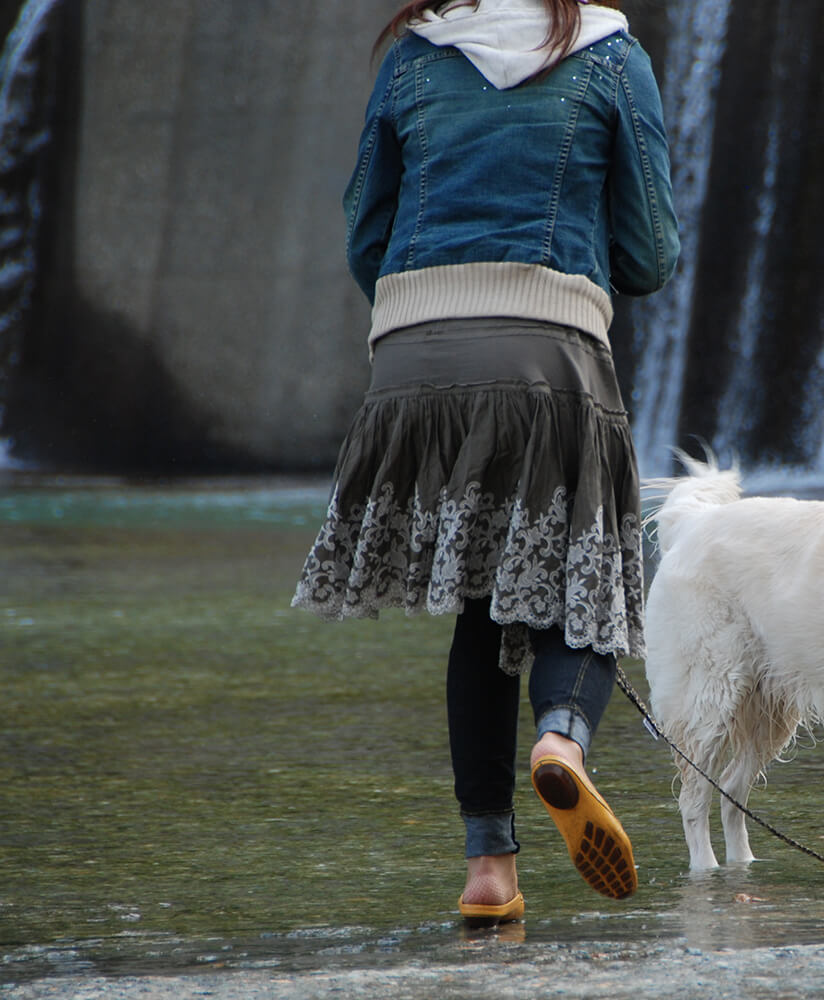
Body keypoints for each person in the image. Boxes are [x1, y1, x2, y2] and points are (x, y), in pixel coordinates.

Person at [292, 0, 678, 925]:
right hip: (545, 349)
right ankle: (561, 741)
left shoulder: (411, 57)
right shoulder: (611, 56)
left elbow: (363, 235)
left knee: (481, 597)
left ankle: (489, 871)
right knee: (585, 578)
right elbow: (651, 251)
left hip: (413, 360)